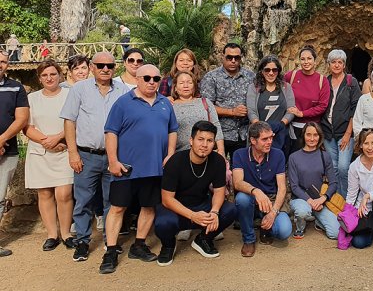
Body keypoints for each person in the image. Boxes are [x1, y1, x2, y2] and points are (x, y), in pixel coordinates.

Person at [101, 64, 178, 274]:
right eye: (147, 78)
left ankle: (139, 245)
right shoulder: (124, 103)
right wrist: (113, 160)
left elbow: (172, 130)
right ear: (137, 79)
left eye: (156, 78)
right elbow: (111, 133)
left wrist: (170, 153)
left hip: (154, 168)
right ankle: (110, 250)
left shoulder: (165, 103)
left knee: (149, 207)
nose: (152, 82)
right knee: (117, 208)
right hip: (127, 167)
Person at [60, 51, 129, 263]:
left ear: (114, 68)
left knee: (112, 200)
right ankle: (82, 240)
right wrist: (73, 153)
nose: (105, 69)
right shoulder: (79, 89)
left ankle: (111, 240)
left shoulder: (123, 91)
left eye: (109, 65)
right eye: (100, 65)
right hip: (86, 155)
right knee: (83, 200)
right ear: (92, 67)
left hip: (113, 157)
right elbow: (69, 121)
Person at [154, 121, 236, 266]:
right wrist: (192, 215)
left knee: (230, 210)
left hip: (201, 204)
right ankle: (168, 246)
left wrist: (215, 212)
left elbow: (219, 191)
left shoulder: (218, 161)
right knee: (163, 223)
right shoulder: (175, 161)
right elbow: (167, 199)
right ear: (191, 141)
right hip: (176, 208)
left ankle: (203, 239)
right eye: (200, 139)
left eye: (210, 140)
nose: (205, 144)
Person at [24, 59, 74, 251]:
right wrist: (46, 141)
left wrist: (59, 138)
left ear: (60, 75)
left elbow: (74, 120)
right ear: (39, 78)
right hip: (40, 151)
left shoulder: (70, 95)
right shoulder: (32, 98)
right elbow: (27, 126)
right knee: (44, 193)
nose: (49, 78)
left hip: (64, 149)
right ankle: (52, 234)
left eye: (53, 74)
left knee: (64, 193)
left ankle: (67, 233)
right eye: (44, 75)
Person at [232, 121, 292, 257]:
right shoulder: (239, 154)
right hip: (251, 198)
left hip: (271, 199)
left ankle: (265, 227)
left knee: (284, 231)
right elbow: (237, 182)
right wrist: (256, 191)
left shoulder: (278, 154)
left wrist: (273, 213)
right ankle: (249, 239)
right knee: (242, 198)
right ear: (253, 140)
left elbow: (282, 188)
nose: (270, 142)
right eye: (265, 139)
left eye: (271, 137)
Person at [200, 43, 255, 158]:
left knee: (241, 170)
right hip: (220, 134)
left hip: (244, 135)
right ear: (222, 57)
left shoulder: (250, 77)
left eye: (237, 58)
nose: (233, 61)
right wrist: (232, 112)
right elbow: (206, 107)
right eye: (229, 57)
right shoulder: (211, 78)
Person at [287, 122, 341, 240]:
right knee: (302, 211)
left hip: (320, 200)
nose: (312, 138)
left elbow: (333, 183)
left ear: (320, 137)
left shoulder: (325, 156)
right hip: (301, 199)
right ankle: (300, 226)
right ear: (304, 136)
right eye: (308, 135)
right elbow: (294, 186)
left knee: (335, 233)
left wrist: (322, 199)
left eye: (315, 135)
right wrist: (310, 201)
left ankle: (317, 221)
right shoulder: (294, 157)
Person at [0, 50, 30, 257]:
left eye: (2, 61)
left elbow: (21, 119)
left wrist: (1, 140)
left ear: (7, 64)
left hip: (7, 150)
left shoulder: (16, 87)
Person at [321, 49, 361, 198]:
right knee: (333, 168)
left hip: (345, 132)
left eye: (340, 62)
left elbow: (355, 108)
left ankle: (345, 200)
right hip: (327, 132)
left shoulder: (351, 82)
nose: (337, 65)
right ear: (329, 64)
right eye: (333, 62)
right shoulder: (324, 81)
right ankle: (335, 200)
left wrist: (348, 134)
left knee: (344, 167)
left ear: (344, 65)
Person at [283, 45, 330, 153]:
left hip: (313, 128)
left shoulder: (322, 80)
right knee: (293, 158)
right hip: (292, 127)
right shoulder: (291, 76)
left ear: (315, 61)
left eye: (309, 58)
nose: (306, 62)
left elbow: (322, 106)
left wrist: (302, 113)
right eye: (303, 59)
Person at [247, 54, 296, 151]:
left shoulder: (286, 87)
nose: (271, 73)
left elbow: (291, 110)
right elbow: (251, 110)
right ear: (261, 71)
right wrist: (262, 130)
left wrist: (282, 124)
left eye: (274, 70)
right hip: (259, 135)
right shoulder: (254, 88)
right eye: (267, 70)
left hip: (281, 133)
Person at [171, 71, 225, 155]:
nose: (186, 86)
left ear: (194, 86)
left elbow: (216, 124)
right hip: (180, 154)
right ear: (175, 87)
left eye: (189, 82)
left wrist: (221, 150)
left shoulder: (205, 102)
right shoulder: (170, 106)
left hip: (206, 153)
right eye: (181, 83)